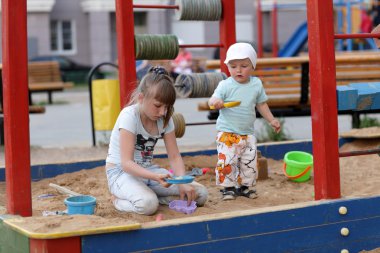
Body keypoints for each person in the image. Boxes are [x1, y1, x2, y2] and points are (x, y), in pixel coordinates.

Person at [105, 66, 208, 215]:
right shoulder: (129, 116)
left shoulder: (165, 119)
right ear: (141, 98)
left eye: (167, 107)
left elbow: (174, 156)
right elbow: (126, 163)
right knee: (148, 205)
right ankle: (117, 200)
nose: (163, 112)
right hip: (121, 173)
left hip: (149, 171)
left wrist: (181, 181)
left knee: (200, 194)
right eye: (158, 106)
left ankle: (149, 194)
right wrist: (155, 177)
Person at [208, 43, 281, 201]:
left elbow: (261, 104)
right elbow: (212, 100)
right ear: (227, 66)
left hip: (247, 132)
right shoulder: (225, 85)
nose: (238, 70)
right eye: (233, 66)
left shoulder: (256, 84)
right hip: (227, 132)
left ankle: (245, 187)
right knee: (227, 160)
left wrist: (271, 119)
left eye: (244, 66)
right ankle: (227, 188)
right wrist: (216, 102)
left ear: (253, 66)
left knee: (249, 161)